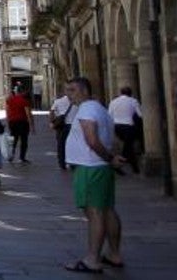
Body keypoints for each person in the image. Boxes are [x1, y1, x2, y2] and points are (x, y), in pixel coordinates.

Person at [63, 76, 127, 274]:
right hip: (99, 167)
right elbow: (112, 138)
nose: (68, 94)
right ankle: (114, 254)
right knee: (107, 210)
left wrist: (110, 158)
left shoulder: (87, 109)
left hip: (90, 167)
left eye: (72, 90)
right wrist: (111, 157)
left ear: (84, 91)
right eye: (67, 90)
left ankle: (92, 259)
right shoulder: (100, 109)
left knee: (95, 213)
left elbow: (91, 139)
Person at [107, 86, 143, 174]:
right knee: (128, 147)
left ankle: (135, 168)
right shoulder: (133, 101)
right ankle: (118, 163)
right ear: (130, 93)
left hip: (117, 127)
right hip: (128, 126)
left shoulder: (113, 101)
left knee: (128, 146)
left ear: (121, 93)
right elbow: (140, 114)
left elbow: (109, 115)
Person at [5, 85, 33, 163]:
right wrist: (31, 125)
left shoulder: (10, 100)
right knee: (24, 140)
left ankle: (11, 156)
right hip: (22, 122)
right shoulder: (25, 101)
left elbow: (7, 111)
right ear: (23, 91)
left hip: (12, 122)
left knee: (13, 140)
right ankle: (22, 157)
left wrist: (8, 120)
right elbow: (28, 114)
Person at [51, 90, 75, 170]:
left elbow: (52, 111)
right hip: (74, 126)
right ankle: (73, 162)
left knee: (61, 145)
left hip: (62, 126)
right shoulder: (76, 101)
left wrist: (51, 122)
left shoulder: (58, 101)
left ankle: (62, 163)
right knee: (73, 144)